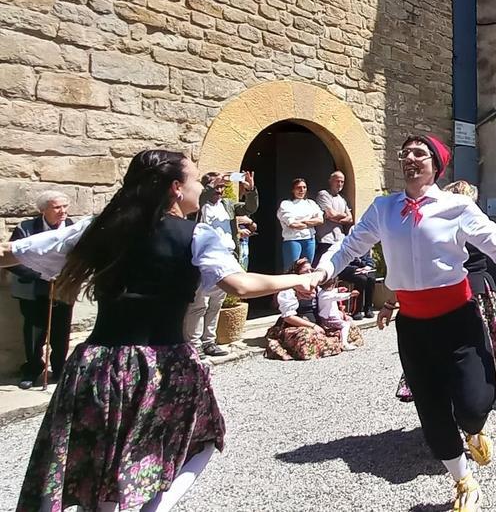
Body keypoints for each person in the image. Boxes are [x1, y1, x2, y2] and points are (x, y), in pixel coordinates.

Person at [0, 150, 313, 512]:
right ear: (177, 188)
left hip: (97, 365)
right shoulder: (197, 234)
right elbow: (239, 285)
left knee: (105, 454)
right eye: (196, 180)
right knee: (204, 438)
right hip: (161, 365)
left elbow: (12, 252)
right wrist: (300, 277)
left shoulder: (99, 227)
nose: (201, 187)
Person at [313, 136, 496, 512]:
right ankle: (464, 481)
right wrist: (323, 270)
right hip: (414, 326)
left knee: (473, 403)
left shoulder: (456, 207)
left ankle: (475, 427)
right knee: (432, 413)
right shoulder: (384, 209)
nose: (410, 158)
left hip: (458, 320)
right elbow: (350, 246)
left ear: (436, 164)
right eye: (406, 153)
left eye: (419, 153)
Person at [396, 180, 496, 401]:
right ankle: (467, 398)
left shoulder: (447, 222)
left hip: (469, 287)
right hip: (462, 290)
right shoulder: (456, 221)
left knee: (461, 344)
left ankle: (464, 399)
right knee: (471, 345)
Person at [5, 191, 74, 390]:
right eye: (57, 207)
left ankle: (60, 369)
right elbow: (12, 259)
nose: (63, 212)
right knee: (34, 332)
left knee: (61, 331)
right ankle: (33, 369)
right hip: (32, 288)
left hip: (62, 287)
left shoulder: (72, 228)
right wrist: (40, 274)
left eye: (65, 207)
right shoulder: (25, 228)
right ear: (43, 210)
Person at [188, 173, 242, 360]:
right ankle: (194, 344)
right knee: (199, 303)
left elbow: (250, 207)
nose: (219, 191)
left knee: (216, 303)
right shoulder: (201, 205)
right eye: (215, 187)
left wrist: (250, 189)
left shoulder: (226, 205)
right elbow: (203, 196)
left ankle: (209, 341)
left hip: (226, 256)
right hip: (205, 257)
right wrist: (215, 181)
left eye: (221, 187)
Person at [266, 258, 365, 360]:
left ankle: (336, 343)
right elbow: (288, 317)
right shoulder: (289, 291)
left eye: (311, 271)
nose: (309, 274)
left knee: (350, 327)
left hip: (319, 322)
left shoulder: (317, 287)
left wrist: (339, 312)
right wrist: (313, 326)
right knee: (306, 336)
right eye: (305, 272)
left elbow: (326, 301)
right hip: (296, 325)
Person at [277, 178, 323, 267]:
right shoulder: (286, 204)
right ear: (293, 190)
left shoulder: (311, 203)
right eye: (298, 187)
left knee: (307, 268)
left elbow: (320, 220)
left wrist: (303, 222)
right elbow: (293, 224)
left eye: (304, 187)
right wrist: (311, 223)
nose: (302, 190)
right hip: (293, 240)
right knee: (291, 269)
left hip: (310, 240)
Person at [315, 171, 353, 263]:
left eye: (342, 182)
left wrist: (335, 218)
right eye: (337, 181)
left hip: (340, 239)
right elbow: (331, 214)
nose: (339, 184)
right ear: (330, 181)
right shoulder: (323, 194)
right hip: (325, 239)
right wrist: (343, 215)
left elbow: (350, 219)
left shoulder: (343, 199)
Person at [338, 252, 377, 320]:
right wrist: (355, 269)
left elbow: (369, 259)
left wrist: (368, 266)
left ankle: (368, 308)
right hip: (347, 270)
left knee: (371, 279)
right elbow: (342, 263)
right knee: (362, 279)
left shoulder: (364, 246)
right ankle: (356, 310)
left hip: (362, 270)